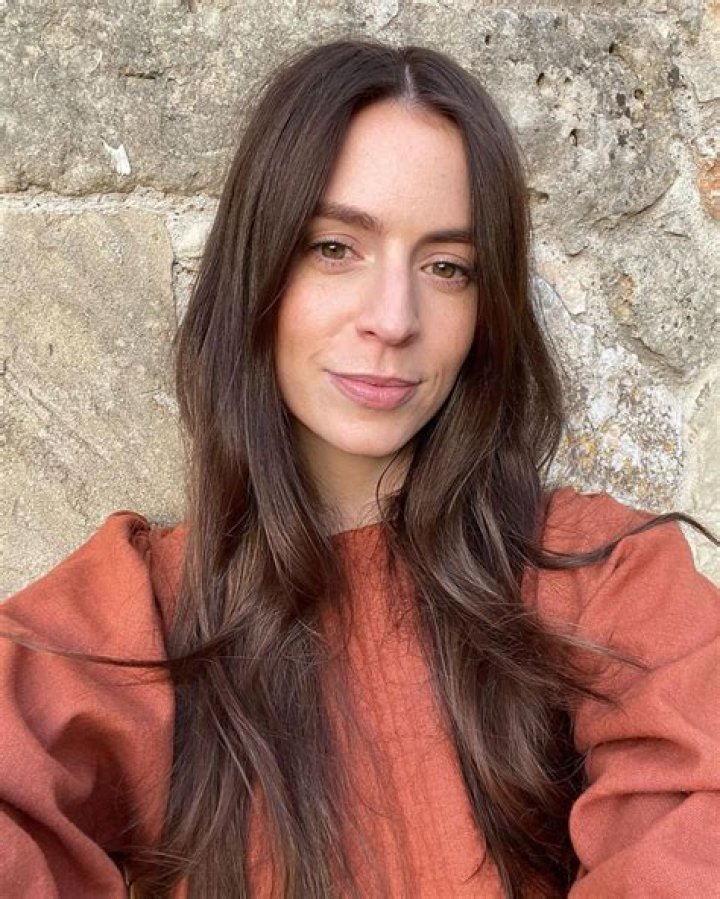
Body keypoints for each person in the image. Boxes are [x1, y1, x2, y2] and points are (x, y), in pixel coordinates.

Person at [1, 39, 718, 899]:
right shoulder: (133, 619)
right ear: (259, 268)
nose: (393, 317)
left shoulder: (608, 580)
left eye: (447, 267)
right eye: (335, 248)